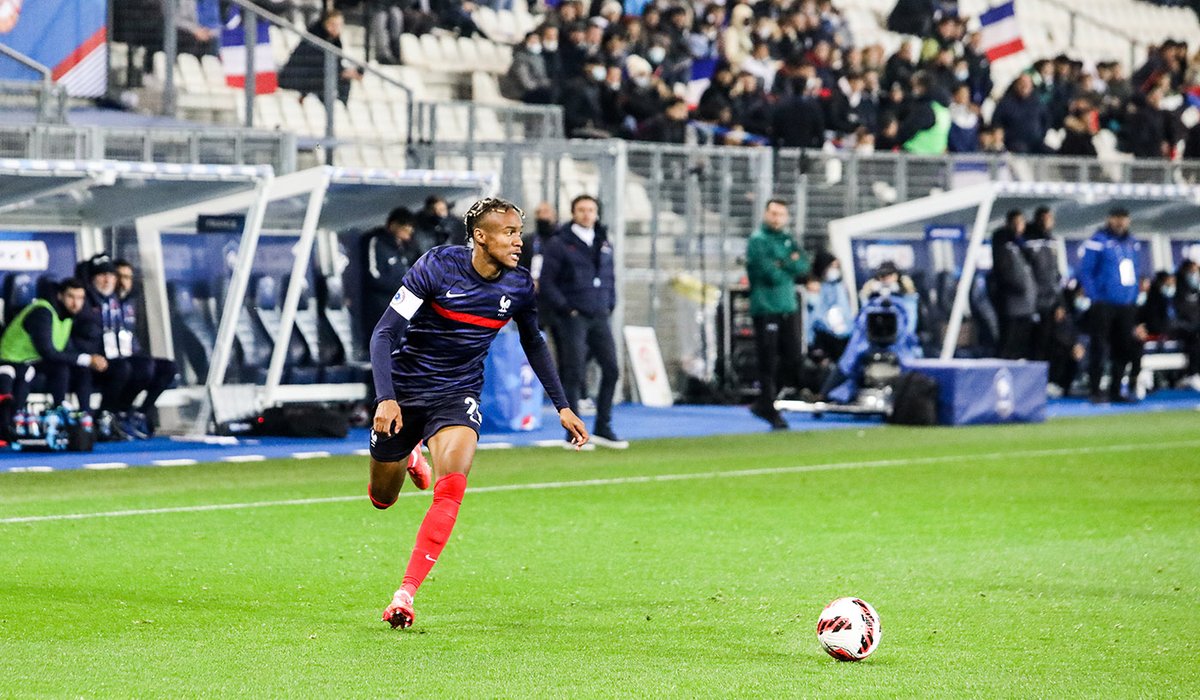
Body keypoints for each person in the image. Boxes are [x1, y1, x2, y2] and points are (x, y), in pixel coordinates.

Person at [369, 197, 587, 629]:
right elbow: (385, 332)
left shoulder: (519, 286)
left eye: (520, 233)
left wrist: (562, 405)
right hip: (406, 390)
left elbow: (534, 342)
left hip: (458, 393)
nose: (518, 241)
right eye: (509, 233)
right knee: (383, 499)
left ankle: (405, 593)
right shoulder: (436, 267)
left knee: (450, 490)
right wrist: (385, 397)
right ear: (481, 237)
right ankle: (410, 454)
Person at [538, 194, 626, 448]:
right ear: (573, 213)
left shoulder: (603, 241)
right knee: (573, 372)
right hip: (573, 317)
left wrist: (610, 303)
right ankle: (574, 432)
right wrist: (567, 308)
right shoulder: (560, 243)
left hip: (599, 314)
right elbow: (547, 282)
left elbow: (609, 277)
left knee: (611, 368)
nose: (587, 214)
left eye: (591, 210)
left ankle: (603, 426)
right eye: (582, 210)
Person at [0, 278, 107, 441]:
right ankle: (12, 423)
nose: (75, 303)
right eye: (71, 297)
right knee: (61, 367)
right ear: (59, 296)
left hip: (32, 361)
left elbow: (64, 351)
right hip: (12, 360)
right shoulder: (43, 312)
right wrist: (86, 358)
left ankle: (85, 418)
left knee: (76, 369)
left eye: (80, 298)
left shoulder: (66, 317)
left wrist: (89, 360)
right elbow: (48, 351)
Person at [745, 199, 809, 430]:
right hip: (766, 308)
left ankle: (765, 401)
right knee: (768, 360)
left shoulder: (788, 238)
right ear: (765, 214)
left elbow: (803, 266)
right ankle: (768, 405)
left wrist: (784, 264)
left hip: (787, 306)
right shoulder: (758, 241)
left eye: (781, 214)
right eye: (773, 213)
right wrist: (786, 264)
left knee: (792, 357)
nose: (776, 218)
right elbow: (770, 273)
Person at [1077, 208, 1143, 403]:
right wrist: (1095, 296)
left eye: (1123, 219)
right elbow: (1086, 271)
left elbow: (1136, 270)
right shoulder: (1098, 241)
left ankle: (1116, 390)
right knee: (1099, 347)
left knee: (1123, 347)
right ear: (1109, 219)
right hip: (1104, 304)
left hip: (1126, 305)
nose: (1120, 223)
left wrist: (1133, 296)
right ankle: (1095, 390)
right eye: (1116, 219)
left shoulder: (1132, 243)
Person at [71, 253, 137, 439]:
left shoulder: (118, 302)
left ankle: (122, 414)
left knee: (152, 367)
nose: (107, 279)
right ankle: (96, 420)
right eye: (101, 275)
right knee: (121, 369)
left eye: (111, 275)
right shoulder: (83, 302)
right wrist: (87, 356)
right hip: (84, 361)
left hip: (113, 358)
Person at [113, 259, 178, 437]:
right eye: (119, 276)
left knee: (168, 368)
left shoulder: (130, 304)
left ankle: (140, 413)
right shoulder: (103, 303)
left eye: (127, 277)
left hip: (131, 355)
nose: (123, 281)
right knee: (142, 368)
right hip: (112, 359)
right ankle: (121, 412)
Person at [361, 207, 425, 346]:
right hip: (383, 307)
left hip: (405, 307)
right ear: (393, 225)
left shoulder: (407, 247)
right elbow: (374, 276)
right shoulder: (376, 242)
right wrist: (403, 287)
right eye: (405, 227)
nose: (409, 231)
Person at [278, 10, 362, 105]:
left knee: (344, 79)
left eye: (339, 25)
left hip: (315, 76)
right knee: (337, 78)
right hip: (298, 78)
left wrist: (347, 72)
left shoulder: (334, 40)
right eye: (333, 24)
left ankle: (341, 107)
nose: (336, 28)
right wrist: (342, 72)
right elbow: (316, 64)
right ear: (325, 23)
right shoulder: (315, 38)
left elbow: (335, 62)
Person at [990, 209, 1037, 359]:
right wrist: (1015, 287)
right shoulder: (1003, 242)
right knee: (1007, 342)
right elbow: (1003, 271)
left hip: (1027, 304)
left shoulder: (1023, 246)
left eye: (1021, 223)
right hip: (1010, 303)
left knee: (1022, 344)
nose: (1019, 227)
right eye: (1015, 223)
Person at [1024, 206, 1063, 362]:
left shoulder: (1052, 241)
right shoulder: (1029, 240)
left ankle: (1047, 378)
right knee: (1033, 342)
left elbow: (1055, 273)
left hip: (1050, 302)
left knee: (1048, 342)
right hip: (1034, 301)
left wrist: (1059, 303)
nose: (1049, 221)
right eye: (1046, 218)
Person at [1173, 259, 1200, 390]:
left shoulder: (1195, 288)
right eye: (1193, 270)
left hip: (1194, 325)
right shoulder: (1178, 287)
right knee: (1194, 339)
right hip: (1181, 326)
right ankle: (1192, 374)